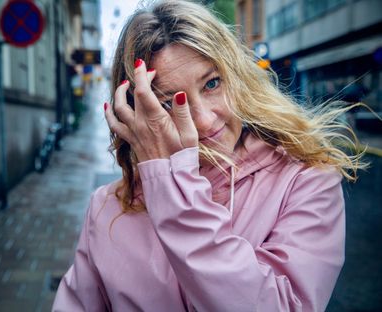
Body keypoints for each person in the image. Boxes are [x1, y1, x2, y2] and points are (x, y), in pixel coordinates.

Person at [52, 1, 364, 311]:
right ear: (134, 114)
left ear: (236, 79)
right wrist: (163, 176)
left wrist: (174, 194)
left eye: (211, 83)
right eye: (169, 103)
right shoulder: (107, 207)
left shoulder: (306, 180)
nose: (202, 120)